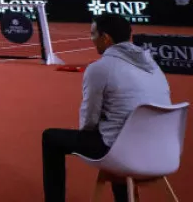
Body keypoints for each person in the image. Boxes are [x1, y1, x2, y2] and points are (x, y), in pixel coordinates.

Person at [41, 13, 172, 202]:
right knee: (118, 131)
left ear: (106, 38)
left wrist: (91, 131)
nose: (91, 39)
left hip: (123, 153)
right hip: (161, 150)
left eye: (93, 34)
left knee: (51, 138)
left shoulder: (99, 68)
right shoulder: (152, 64)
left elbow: (89, 121)